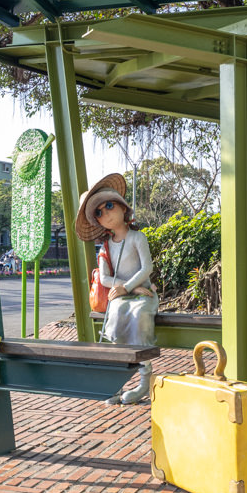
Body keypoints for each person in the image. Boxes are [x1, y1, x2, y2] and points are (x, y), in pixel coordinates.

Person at [75, 173, 158, 405]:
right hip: (120, 298)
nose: (106, 214)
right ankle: (116, 382)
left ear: (123, 208)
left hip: (143, 295)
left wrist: (131, 287)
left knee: (139, 316)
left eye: (109, 206)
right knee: (116, 318)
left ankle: (144, 381)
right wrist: (126, 290)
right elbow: (104, 279)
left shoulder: (137, 237)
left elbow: (147, 268)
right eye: (99, 212)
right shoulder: (105, 248)